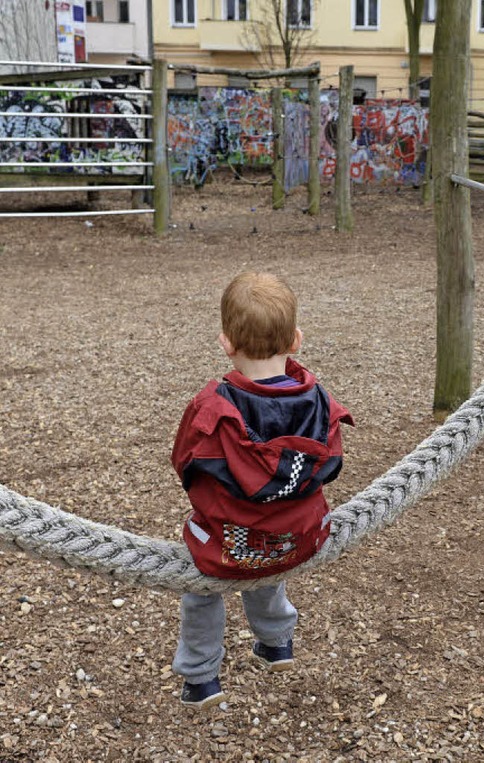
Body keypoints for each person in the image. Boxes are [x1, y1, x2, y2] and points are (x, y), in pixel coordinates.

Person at [171, 271, 353, 709]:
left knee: (202, 589)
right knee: (269, 552)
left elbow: (185, 464)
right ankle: (276, 645)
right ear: (295, 339)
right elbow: (331, 467)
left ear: (226, 343)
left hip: (227, 545)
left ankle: (201, 680)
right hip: (298, 538)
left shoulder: (212, 408)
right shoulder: (320, 401)